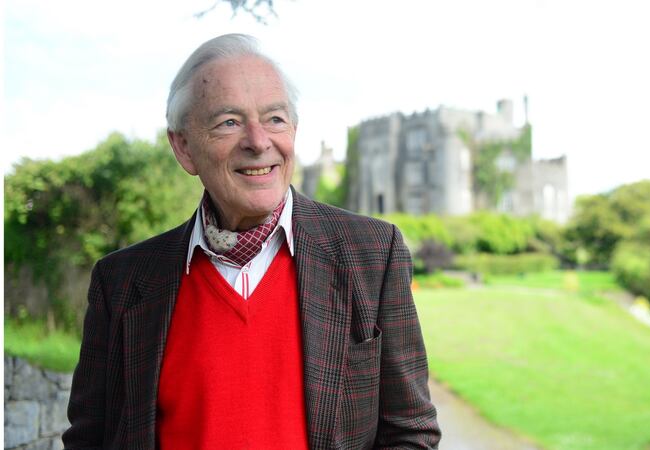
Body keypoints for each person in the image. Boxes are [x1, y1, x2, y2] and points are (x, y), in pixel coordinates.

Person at [63, 33, 440, 449]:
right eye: (229, 122)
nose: (259, 142)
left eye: (275, 119)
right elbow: (89, 439)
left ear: (293, 130)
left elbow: (410, 433)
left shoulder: (372, 253)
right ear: (184, 147)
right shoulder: (121, 282)